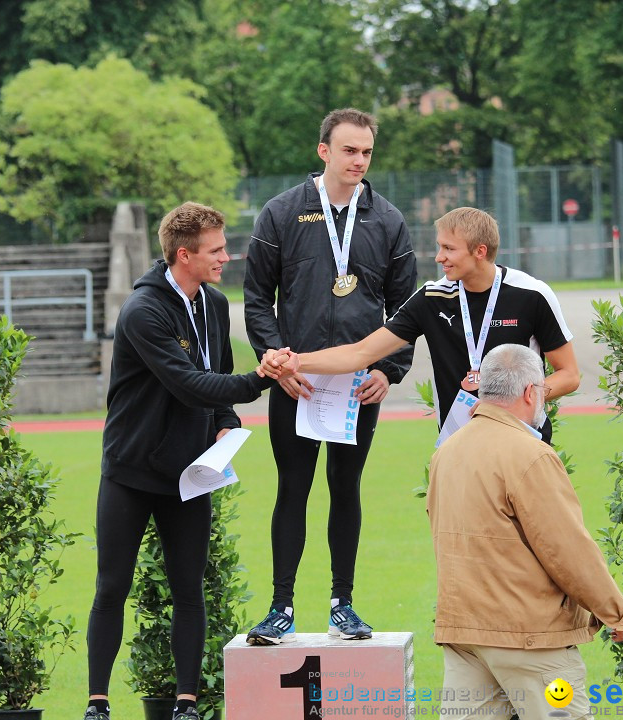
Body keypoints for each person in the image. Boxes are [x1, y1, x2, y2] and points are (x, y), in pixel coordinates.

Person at [83, 202, 273, 720]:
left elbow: (215, 385)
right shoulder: (143, 310)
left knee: (189, 589)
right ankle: (97, 703)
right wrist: (262, 380)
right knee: (111, 587)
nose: (226, 258)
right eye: (215, 251)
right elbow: (188, 384)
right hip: (130, 471)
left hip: (190, 473)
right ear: (183, 255)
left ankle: (186, 705)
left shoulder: (212, 305)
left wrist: (228, 421)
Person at [243, 107, 418, 644]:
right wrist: (276, 362)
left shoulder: (387, 220)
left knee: (347, 488)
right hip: (296, 383)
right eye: (349, 150)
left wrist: (390, 371)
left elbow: (406, 309)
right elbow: (255, 300)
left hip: (360, 388)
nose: (359, 161)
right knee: (292, 489)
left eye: (366, 151)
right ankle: (281, 609)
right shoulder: (280, 213)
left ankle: (344, 605)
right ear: (324, 151)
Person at [427, 343, 623, 719]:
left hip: (464, 633)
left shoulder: (447, 451)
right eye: (542, 391)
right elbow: (567, 548)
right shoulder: (531, 454)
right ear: (529, 393)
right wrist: (616, 612)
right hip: (529, 637)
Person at [259, 206, 579, 445]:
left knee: (523, 536)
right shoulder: (432, 298)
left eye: (449, 248)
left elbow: (569, 375)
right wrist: (297, 361)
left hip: (523, 441)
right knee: (458, 536)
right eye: (440, 247)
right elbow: (361, 353)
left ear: (480, 251)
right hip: (458, 444)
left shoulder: (532, 294)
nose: (439, 257)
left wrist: (513, 404)